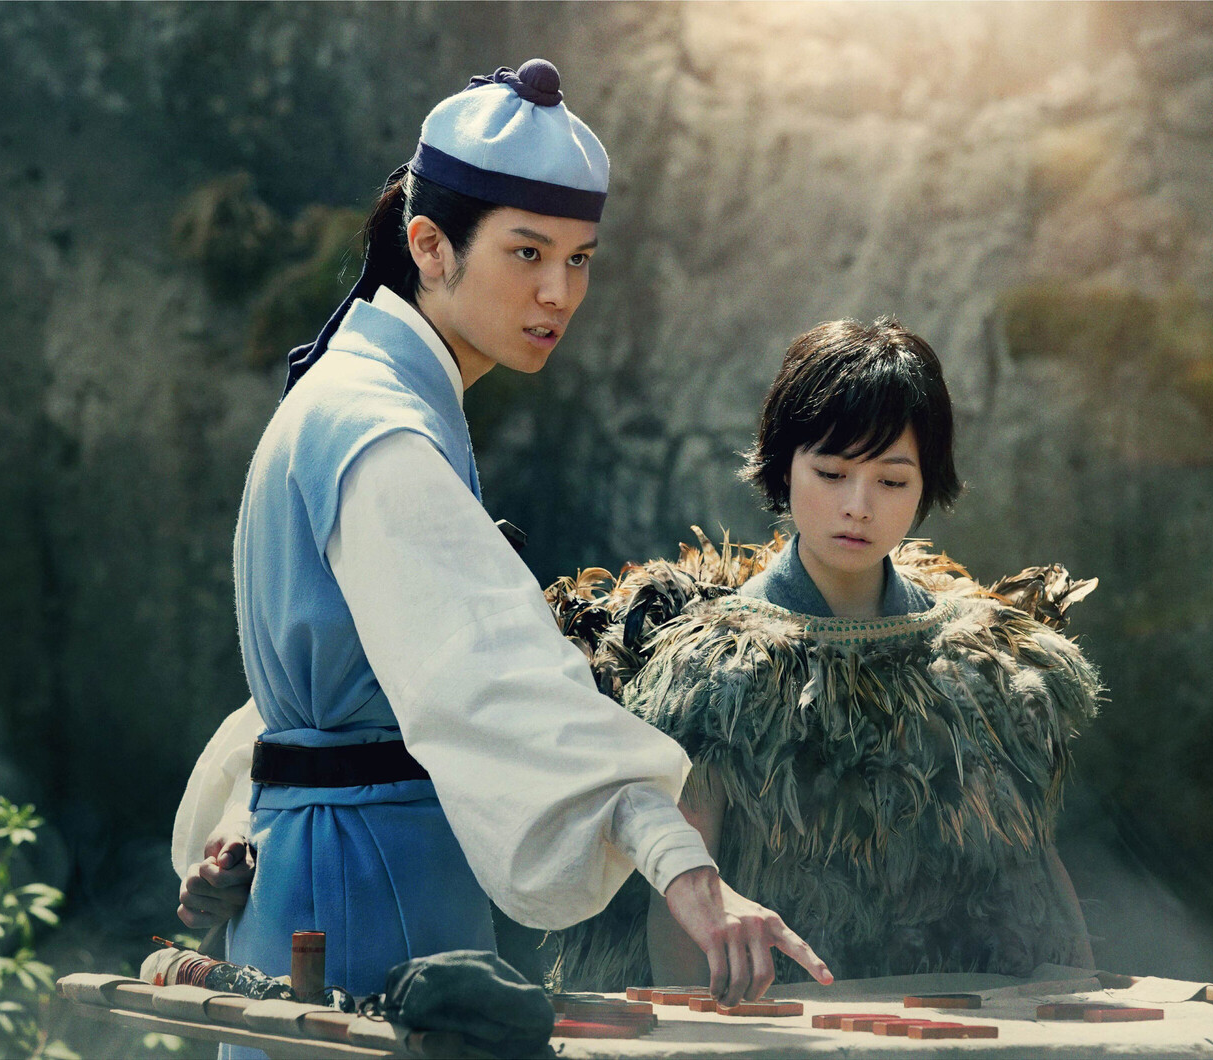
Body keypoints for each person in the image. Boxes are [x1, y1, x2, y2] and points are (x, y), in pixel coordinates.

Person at [172, 59, 830, 1023]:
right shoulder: (380, 430)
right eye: (527, 253)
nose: (559, 292)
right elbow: (493, 675)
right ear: (430, 246)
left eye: (581, 259)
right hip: (370, 889)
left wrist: (242, 821)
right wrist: (686, 867)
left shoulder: (359, 396)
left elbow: (339, 684)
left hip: (327, 866)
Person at [551, 317, 1100, 990]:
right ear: (784, 465)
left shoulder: (985, 662)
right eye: (832, 473)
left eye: (892, 481)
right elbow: (687, 903)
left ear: (927, 483)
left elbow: (1035, 869)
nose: (858, 506)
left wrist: (1081, 1007)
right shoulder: (712, 667)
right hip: (776, 1021)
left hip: (960, 1018)